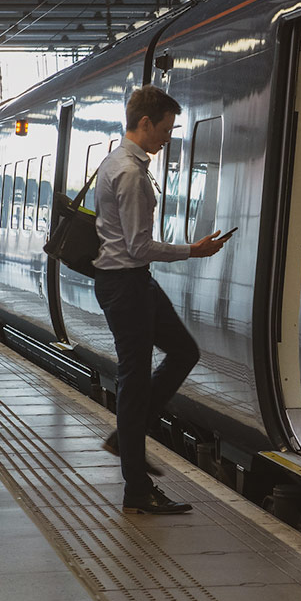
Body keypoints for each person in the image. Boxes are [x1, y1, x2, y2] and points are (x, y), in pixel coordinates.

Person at [93, 85, 231, 514]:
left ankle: (126, 434)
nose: (168, 137)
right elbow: (138, 246)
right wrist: (194, 250)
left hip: (133, 283)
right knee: (134, 383)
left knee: (183, 351)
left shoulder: (121, 163)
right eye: (166, 128)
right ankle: (137, 490)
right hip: (127, 283)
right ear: (146, 122)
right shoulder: (130, 173)